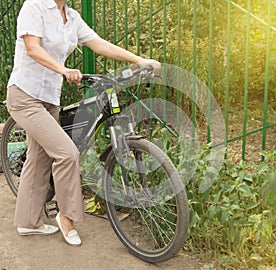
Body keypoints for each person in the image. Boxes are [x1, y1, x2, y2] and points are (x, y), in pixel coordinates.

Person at [7, 0, 161, 246]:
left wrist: (139, 60)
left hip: (49, 99)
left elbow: (98, 43)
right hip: (25, 95)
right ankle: (66, 217)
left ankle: (28, 222)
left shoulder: (72, 17)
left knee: (38, 159)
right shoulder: (34, 6)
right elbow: (33, 49)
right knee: (66, 153)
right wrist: (63, 69)